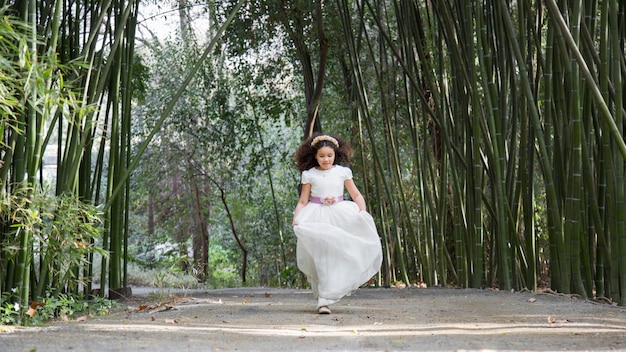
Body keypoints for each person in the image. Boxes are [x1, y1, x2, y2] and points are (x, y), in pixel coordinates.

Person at [292, 134, 383, 314]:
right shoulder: (309, 174)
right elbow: (303, 200)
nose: (326, 159)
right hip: (316, 215)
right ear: (315, 156)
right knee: (320, 256)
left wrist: (362, 212)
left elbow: (356, 195)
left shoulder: (343, 172)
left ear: (336, 154)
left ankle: (329, 294)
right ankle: (323, 300)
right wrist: (297, 217)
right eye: (322, 156)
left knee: (337, 254)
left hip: (340, 213)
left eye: (329, 155)